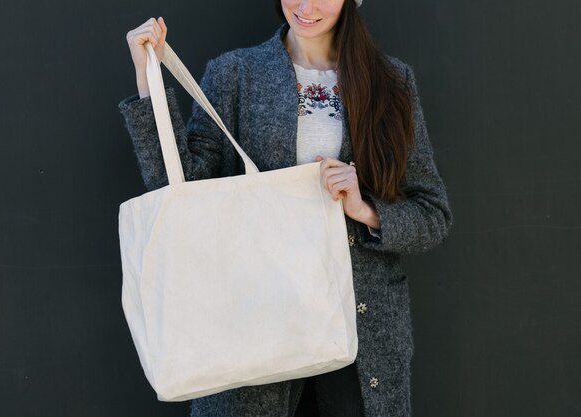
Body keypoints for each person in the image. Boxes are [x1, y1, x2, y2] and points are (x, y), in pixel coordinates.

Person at [118, 1, 452, 416]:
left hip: (360, 334)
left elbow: (432, 213)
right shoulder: (235, 74)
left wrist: (366, 209)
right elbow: (179, 190)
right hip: (251, 324)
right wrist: (145, 74)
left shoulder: (392, 81)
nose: (306, 5)